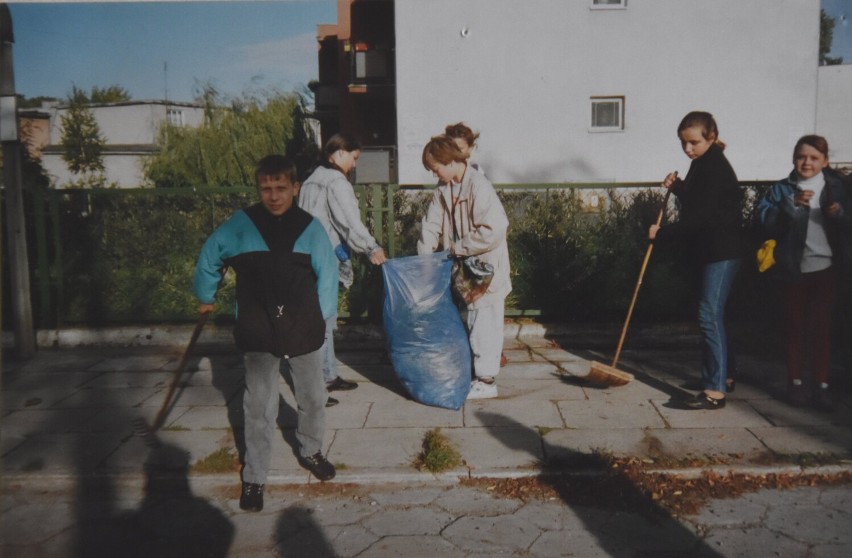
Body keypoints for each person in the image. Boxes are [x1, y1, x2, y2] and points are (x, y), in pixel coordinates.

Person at [193, 155, 339, 512]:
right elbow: (210, 255)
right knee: (259, 404)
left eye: (280, 188)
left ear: (295, 188)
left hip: (303, 324)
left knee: (313, 397)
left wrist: (323, 319)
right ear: (258, 189)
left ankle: (312, 449)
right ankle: (255, 476)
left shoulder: (311, 227)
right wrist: (205, 294)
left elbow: (328, 274)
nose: (273, 196)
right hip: (258, 326)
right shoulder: (240, 225)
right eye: (265, 189)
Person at [649, 111, 749, 410]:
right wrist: (679, 188)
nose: (688, 149)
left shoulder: (714, 168)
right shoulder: (703, 163)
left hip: (721, 251)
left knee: (708, 315)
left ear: (712, 137)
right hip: (712, 250)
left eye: (693, 142)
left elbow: (700, 219)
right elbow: (699, 200)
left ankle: (715, 392)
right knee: (714, 314)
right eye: (683, 143)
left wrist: (662, 233)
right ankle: (724, 376)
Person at [757, 135, 852, 411]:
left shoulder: (837, 187)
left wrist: (840, 213)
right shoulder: (782, 189)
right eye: (801, 157)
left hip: (826, 268)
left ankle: (821, 386)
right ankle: (796, 384)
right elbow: (764, 221)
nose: (807, 162)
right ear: (793, 159)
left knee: (822, 330)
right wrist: (790, 205)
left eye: (813, 158)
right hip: (793, 268)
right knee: (795, 328)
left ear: (824, 161)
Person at [417, 134, 511, 399]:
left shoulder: (479, 186)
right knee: (471, 319)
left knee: (485, 321)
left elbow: (495, 229)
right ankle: (478, 373)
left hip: (486, 269)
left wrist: (459, 247)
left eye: (435, 168)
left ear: (448, 161)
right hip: (466, 270)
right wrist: (425, 259)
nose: (434, 173)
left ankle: (486, 380)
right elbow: (430, 226)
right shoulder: (443, 190)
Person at [299, 133, 388, 404]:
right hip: (323, 259)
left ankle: (327, 376)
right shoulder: (335, 181)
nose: (355, 164)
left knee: (322, 320)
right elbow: (349, 221)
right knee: (320, 322)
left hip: (306, 256)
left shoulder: (311, 180)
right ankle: (315, 390)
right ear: (338, 153)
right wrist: (371, 247)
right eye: (354, 157)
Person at [444, 122, 508, 368]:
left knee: (485, 313)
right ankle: (481, 361)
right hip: (464, 255)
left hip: (479, 255)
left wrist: (461, 245)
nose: (457, 153)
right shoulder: (447, 182)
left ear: (470, 148)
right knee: (472, 313)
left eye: (461, 148)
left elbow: (493, 226)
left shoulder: (477, 179)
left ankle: (488, 365)